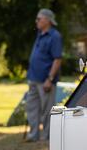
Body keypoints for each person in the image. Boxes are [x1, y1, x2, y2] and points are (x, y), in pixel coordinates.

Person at [24, 8, 62, 142]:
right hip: (33, 78)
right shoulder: (40, 34)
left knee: (47, 110)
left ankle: (47, 137)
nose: (36, 21)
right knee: (31, 108)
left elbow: (57, 60)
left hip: (46, 81)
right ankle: (33, 135)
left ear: (47, 20)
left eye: (39, 19)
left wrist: (50, 79)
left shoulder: (54, 36)